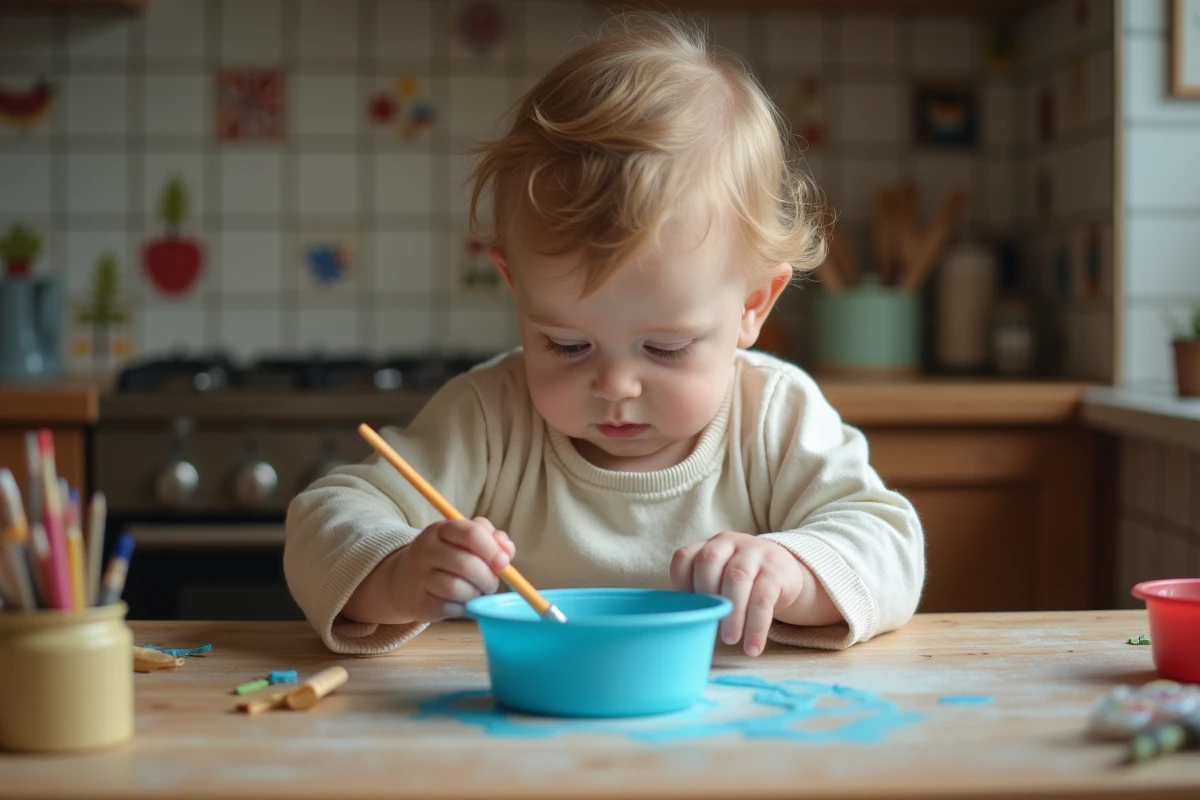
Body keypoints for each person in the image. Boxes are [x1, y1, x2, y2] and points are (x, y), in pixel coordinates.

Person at [284, 13, 924, 658]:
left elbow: (888, 544)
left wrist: (794, 571)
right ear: (517, 288)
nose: (615, 385)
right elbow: (325, 519)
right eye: (566, 344)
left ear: (752, 306)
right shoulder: (488, 419)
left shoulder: (776, 418)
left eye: (666, 348)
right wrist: (396, 576)